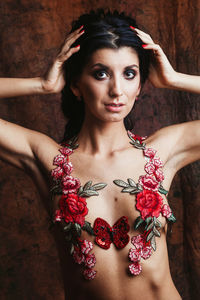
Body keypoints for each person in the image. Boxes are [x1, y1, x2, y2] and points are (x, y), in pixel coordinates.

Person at [0, 9, 199, 300]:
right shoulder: (47, 158)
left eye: (129, 74)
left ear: (140, 84)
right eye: (101, 73)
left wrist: (174, 78)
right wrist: (42, 84)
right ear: (76, 85)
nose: (117, 90)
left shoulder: (163, 151)